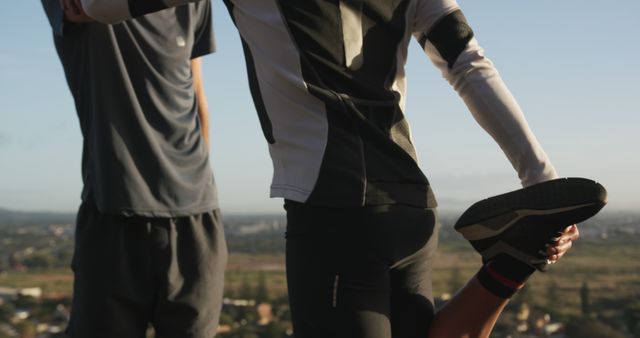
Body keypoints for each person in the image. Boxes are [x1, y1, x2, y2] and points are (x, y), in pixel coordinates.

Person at [71, 1, 598, 337]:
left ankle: (511, 261)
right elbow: (469, 63)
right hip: (411, 207)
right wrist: (540, 179)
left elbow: (100, 7)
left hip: (332, 211)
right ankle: (510, 263)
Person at [41, 1, 227, 337]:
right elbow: (84, 8)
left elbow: (196, 93)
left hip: (195, 223)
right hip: (113, 214)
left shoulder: (195, 5)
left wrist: (196, 181)